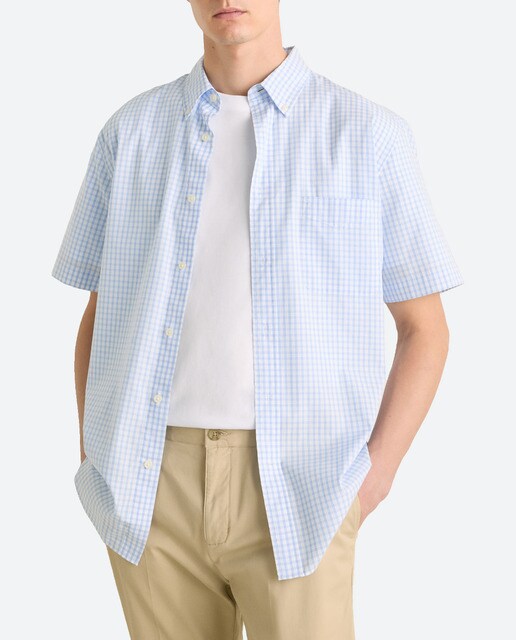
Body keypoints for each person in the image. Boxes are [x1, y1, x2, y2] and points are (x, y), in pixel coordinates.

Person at [51, 1, 464, 638]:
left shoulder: (368, 134)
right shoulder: (130, 133)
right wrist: (96, 457)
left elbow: (424, 329)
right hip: (149, 484)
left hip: (305, 484)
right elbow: (101, 315)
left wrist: (371, 481)